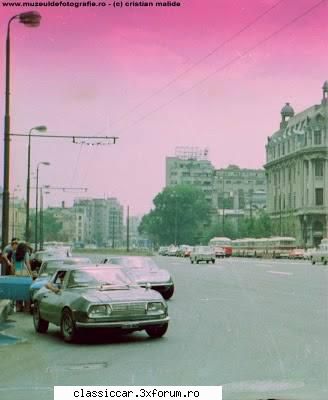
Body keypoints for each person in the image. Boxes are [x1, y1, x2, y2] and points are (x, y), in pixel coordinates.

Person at [14, 242, 32, 312]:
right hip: (24, 273)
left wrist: (14, 273)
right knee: (26, 290)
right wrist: (30, 273)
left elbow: (13, 265)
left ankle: (18, 307)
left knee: (18, 290)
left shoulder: (15, 254)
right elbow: (27, 263)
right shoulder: (26, 253)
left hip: (17, 273)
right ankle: (27, 308)